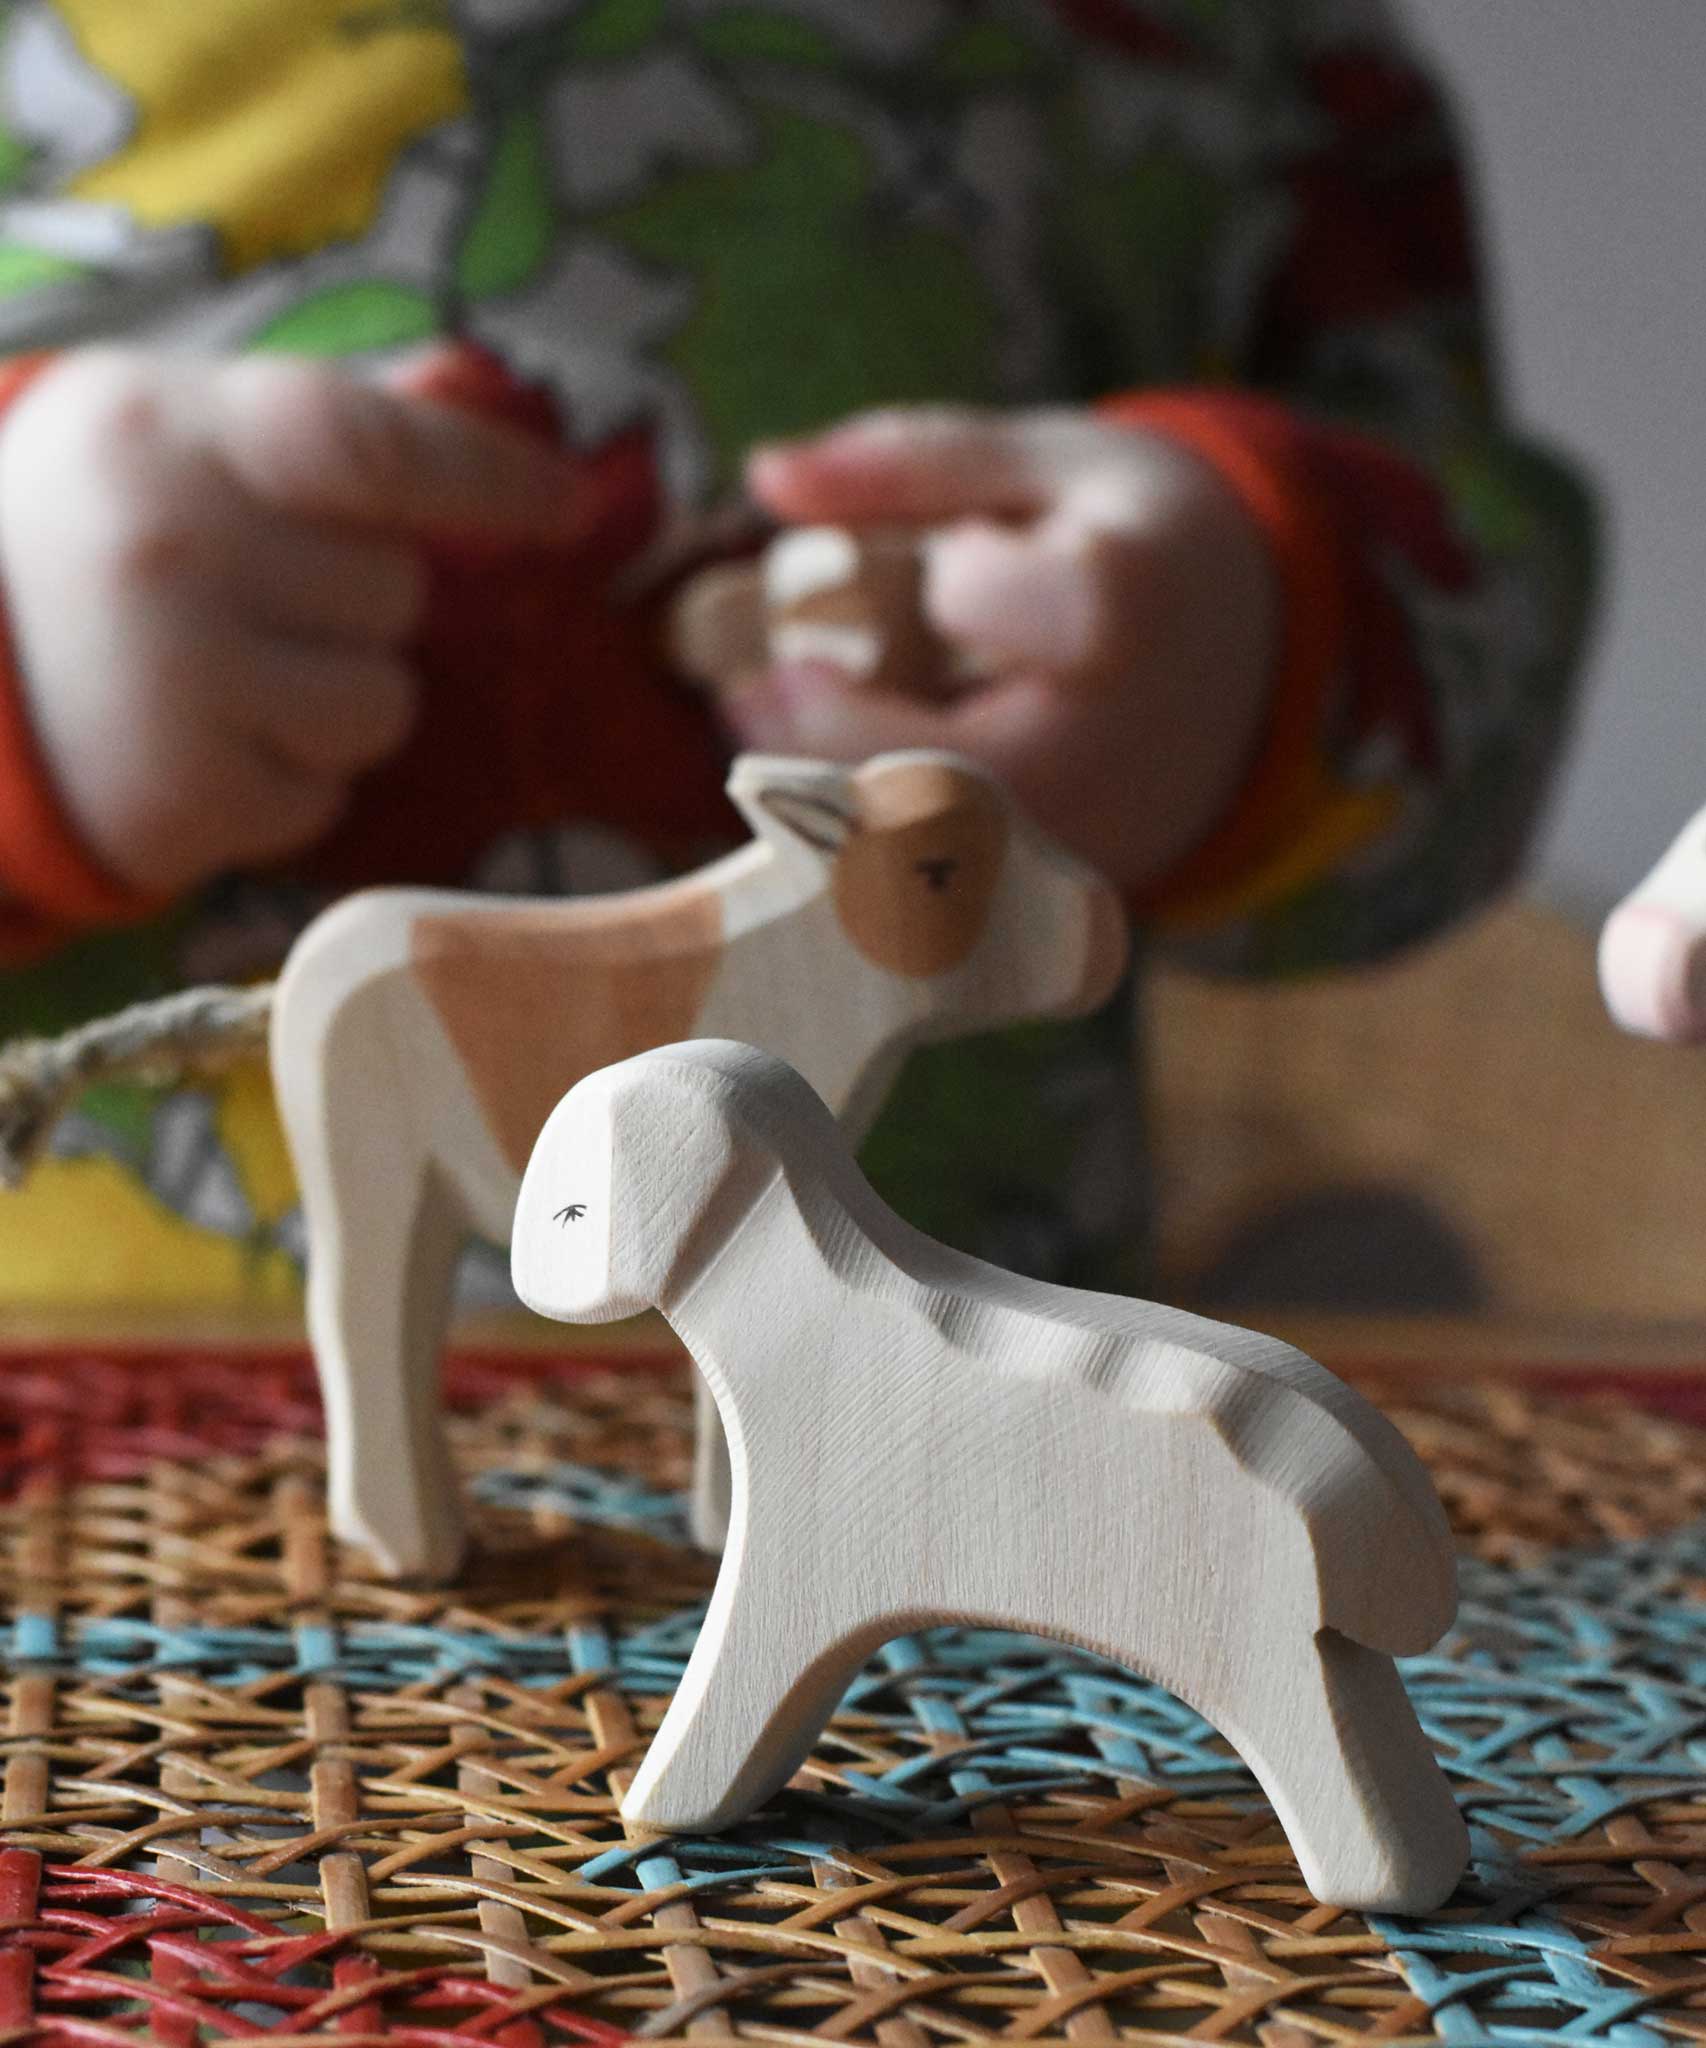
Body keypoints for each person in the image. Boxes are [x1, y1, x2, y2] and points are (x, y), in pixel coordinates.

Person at [0, 0, 1595, 1305]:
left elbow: (1484, 617)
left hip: (958, 1466)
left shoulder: (1251, 53)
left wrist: (1264, 631)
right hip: (84, 1499)